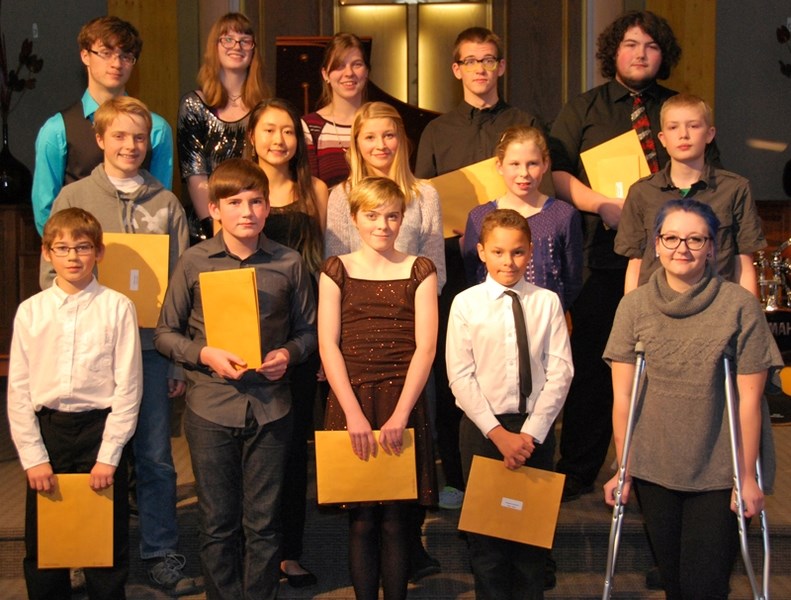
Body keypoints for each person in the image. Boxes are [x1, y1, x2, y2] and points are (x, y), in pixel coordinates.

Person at [548, 10, 719, 502]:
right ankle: (580, 466)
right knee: (597, 365)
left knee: (669, 371)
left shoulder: (680, 110)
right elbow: (557, 176)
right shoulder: (583, 108)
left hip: (676, 264)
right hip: (600, 258)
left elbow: (709, 177)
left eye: (650, 45)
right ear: (612, 53)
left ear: (663, 54)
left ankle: (661, 471)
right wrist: (602, 205)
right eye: (629, 44)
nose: (640, 53)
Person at [40, 96, 198, 595]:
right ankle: (83, 546)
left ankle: (158, 548)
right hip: (87, 352)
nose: (131, 145)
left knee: (153, 456)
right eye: (121, 136)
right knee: (87, 457)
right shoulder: (74, 198)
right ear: (100, 140)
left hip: (151, 351)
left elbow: (183, 284)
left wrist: (178, 358)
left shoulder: (167, 203)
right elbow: (51, 274)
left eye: (140, 137)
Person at [154, 158, 317, 600]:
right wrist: (202, 353)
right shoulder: (193, 262)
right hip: (210, 407)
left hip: (271, 409)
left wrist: (289, 353)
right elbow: (166, 333)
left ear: (267, 207)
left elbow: (310, 331)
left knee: (264, 522)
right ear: (214, 208)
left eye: (256, 201)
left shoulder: (289, 263)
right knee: (217, 522)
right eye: (235, 202)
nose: (247, 211)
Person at [603, 199, 780, 599]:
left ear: (712, 247)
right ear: (656, 244)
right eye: (672, 237)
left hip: (720, 468)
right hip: (655, 462)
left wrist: (748, 476)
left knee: (706, 585)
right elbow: (624, 396)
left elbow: (750, 401)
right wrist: (624, 466)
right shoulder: (634, 307)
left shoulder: (739, 306)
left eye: (696, 239)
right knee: (675, 583)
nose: (682, 248)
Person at [8, 207, 142, 600]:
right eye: (62, 248)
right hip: (48, 430)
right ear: (47, 253)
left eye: (82, 247)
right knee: (46, 539)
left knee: (105, 538)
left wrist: (110, 455)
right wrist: (33, 457)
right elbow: (18, 390)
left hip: (100, 431)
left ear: (99, 253)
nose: (72, 257)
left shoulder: (118, 307)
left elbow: (128, 388)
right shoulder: (30, 312)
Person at [319, 176, 438, 600]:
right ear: (354, 218)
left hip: (400, 400)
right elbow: (328, 346)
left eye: (392, 216)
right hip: (350, 399)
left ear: (402, 218)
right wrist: (351, 412)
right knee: (363, 519)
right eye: (372, 216)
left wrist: (401, 414)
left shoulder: (420, 269)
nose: (383, 225)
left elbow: (425, 349)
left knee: (396, 519)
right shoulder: (334, 270)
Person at [446, 208, 573, 600]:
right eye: (499, 252)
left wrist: (530, 433)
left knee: (531, 542)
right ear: (481, 251)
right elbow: (460, 377)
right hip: (484, 430)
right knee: (487, 545)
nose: (508, 261)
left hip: (535, 431)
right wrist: (499, 434)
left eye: (518, 252)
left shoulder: (547, 302)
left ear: (531, 251)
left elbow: (561, 371)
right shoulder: (466, 304)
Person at [247, 97, 328, 587]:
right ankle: (254, 548)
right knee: (251, 447)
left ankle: (289, 551)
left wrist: (322, 343)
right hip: (248, 336)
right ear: (252, 135)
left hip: (299, 334)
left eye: (289, 132)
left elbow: (324, 267)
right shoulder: (239, 187)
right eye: (270, 130)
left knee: (294, 447)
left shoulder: (314, 188)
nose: (279, 141)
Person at [32, 16, 173, 235]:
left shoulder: (157, 129)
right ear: (85, 56)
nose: (117, 64)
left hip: (141, 254)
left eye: (126, 56)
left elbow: (162, 207)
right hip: (79, 253)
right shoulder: (57, 129)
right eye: (106, 53)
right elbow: (45, 210)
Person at [616, 93, 765, 295]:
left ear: (710, 134)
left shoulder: (734, 189)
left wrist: (749, 318)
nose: (683, 134)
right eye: (673, 127)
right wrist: (630, 318)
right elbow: (635, 264)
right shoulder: (642, 192)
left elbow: (743, 263)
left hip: (716, 308)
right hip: (656, 310)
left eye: (693, 126)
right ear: (662, 138)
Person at [325, 101, 446, 292]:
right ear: (356, 142)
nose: (380, 145)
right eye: (370, 137)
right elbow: (335, 266)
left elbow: (435, 268)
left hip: (412, 306)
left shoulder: (425, 194)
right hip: (356, 308)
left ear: (401, 139)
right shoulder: (342, 195)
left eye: (389, 136)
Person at [462, 125, 583, 310]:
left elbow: (572, 279)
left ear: (545, 164)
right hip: (492, 321)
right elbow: (473, 276)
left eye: (532, 163)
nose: (524, 173)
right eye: (515, 164)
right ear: (499, 166)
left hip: (544, 322)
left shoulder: (563, 215)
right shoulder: (479, 217)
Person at [178, 12, 267, 239]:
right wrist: (217, 229)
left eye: (245, 40)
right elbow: (195, 174)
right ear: (214, 46)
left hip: (256, 224)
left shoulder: (264, 108)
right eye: (227, 39)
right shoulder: (193, 104)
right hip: (208, 229)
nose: (236, 46)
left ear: (253, 49)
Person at [414, 26, 540, 180]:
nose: (480, 69)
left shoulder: (526, 124)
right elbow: (423, 195)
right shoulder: (436, 132)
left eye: (488, 61)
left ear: (500, 67)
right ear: (457, 70)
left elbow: (543, 190)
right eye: (470, 61)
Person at [302, 32, 369, 188]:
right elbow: (310, 191)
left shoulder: (381, 122)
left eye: (357, 64)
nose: (349, 73)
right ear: (326, 74)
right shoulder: (310, 126)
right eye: (339, 66)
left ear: (366, 72)